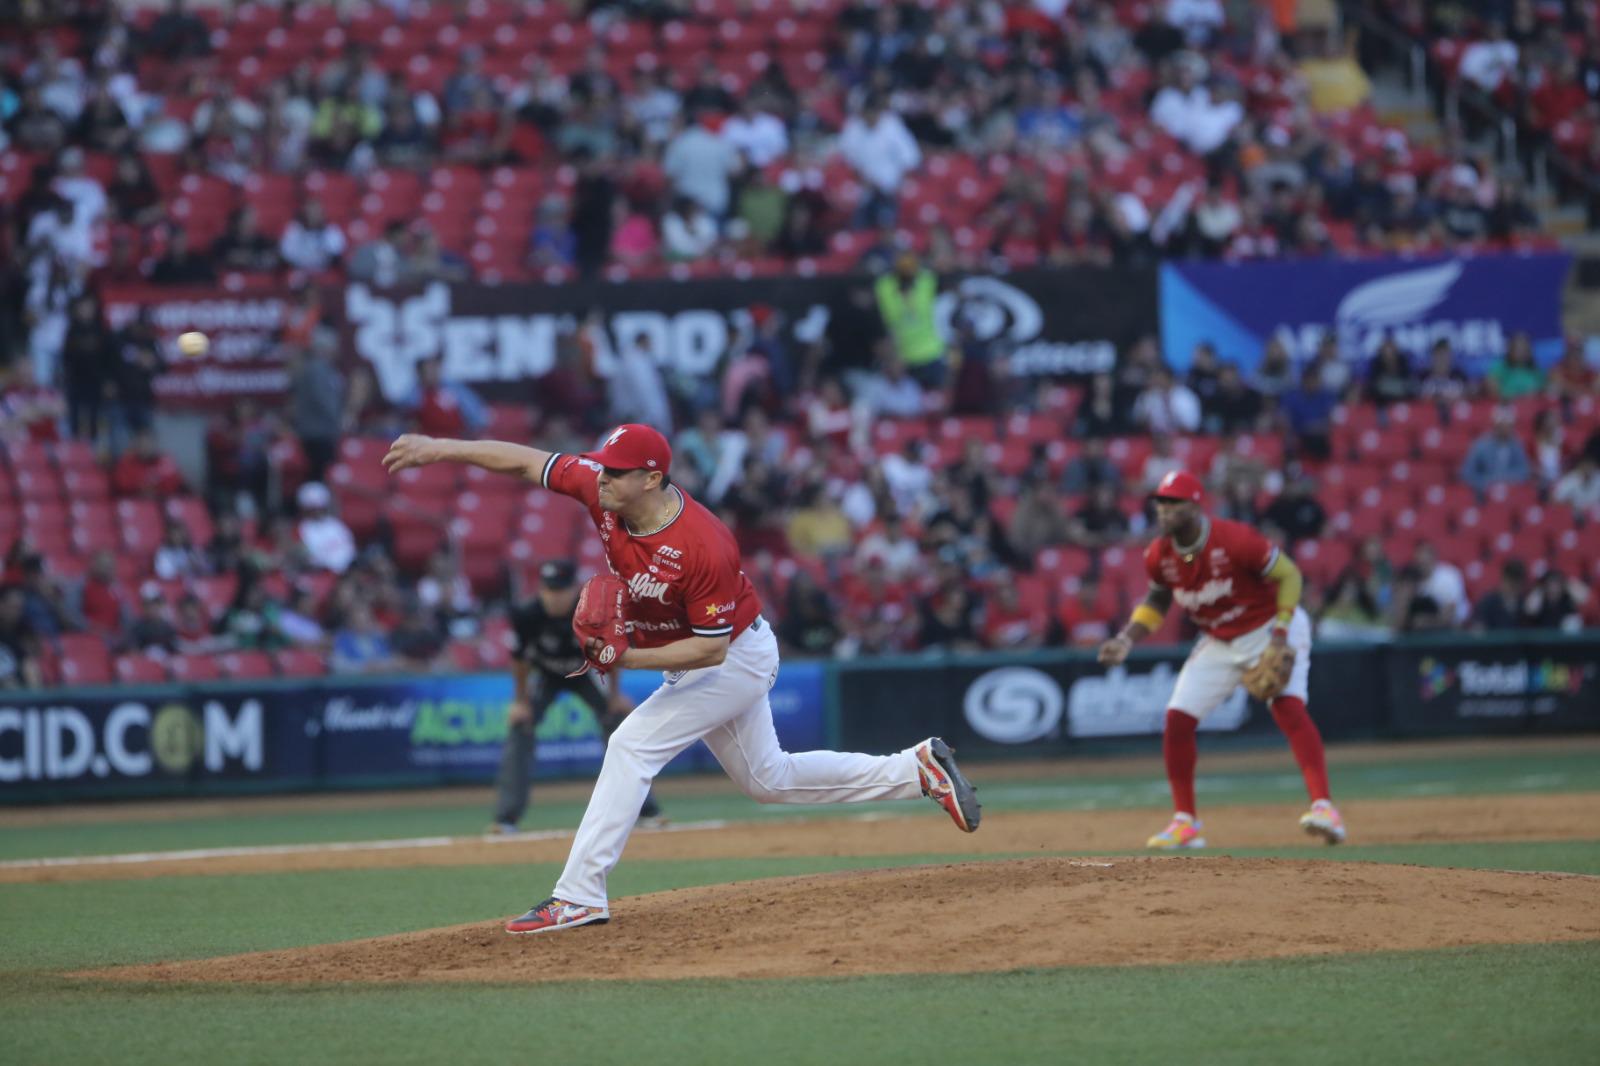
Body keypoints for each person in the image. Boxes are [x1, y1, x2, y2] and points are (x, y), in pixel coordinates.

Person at [382, 422, 981, 933]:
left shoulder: (703, 545)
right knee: (768, 780)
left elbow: (712, 650)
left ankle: (579, 895)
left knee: (630, 744)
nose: (602, 478)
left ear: (651, 478)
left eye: (616, 472)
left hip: (734, 657)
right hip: (698, 657)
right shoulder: (603, 490)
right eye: (603, 468)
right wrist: (440, 447)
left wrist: (623, 660)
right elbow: (524, 461)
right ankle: (916, 769)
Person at [1097, 470, 1343, 850]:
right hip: (1220, 639)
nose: (1164, 510)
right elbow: (1158, 600)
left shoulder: (1235, 540)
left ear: (1195, 505)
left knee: (1287, 707)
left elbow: (1290, 575)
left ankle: (1325, 809)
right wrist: (1126, 638)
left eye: (1173, 502)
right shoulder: (1159, 555)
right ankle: (1185, 822)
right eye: (1160, 502)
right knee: (1177, 719)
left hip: (1271, 627)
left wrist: (1279, 637)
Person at [492, 559, 665, 834]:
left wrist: (614, 696)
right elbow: (519, 661)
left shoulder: (593, 613)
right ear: (540, 589)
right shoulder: (526, 613)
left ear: (574, 589)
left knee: (618, 725)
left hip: (586, 674)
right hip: (546, 676)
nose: (554, 597)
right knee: (520, 725)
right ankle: (505, 819)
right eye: (549, 590)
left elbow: (612, 653)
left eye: (560, 590)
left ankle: (647, 811)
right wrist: (521, 701)